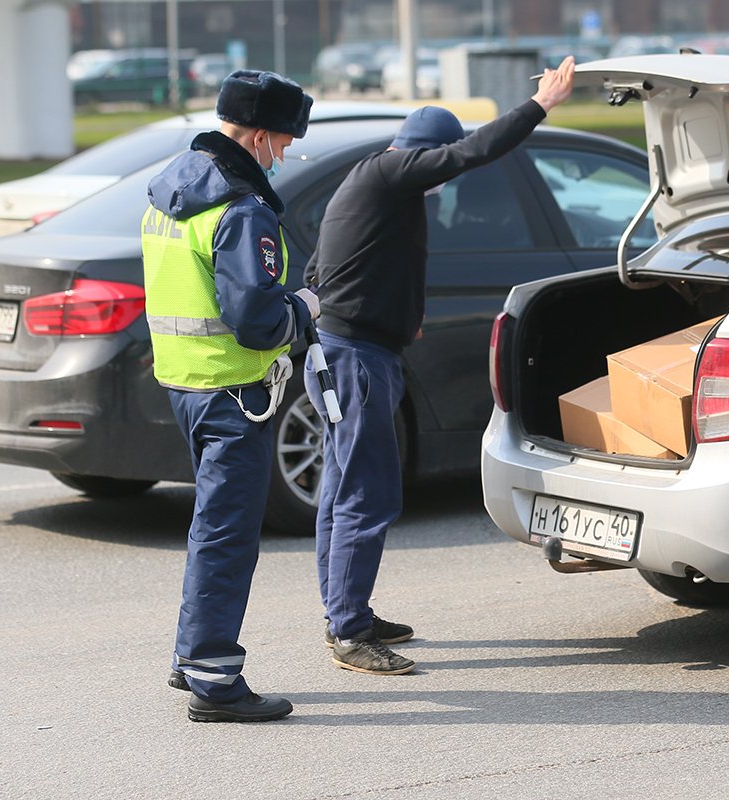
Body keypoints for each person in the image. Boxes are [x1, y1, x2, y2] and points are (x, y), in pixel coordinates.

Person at [301, 56, 578, 676]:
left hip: (349, 350)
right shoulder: (395, 172)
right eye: (437, 167)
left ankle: (348, 612)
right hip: (356, 361)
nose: (441, 182)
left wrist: (396, 315)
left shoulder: (373, 184)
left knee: (344, 488)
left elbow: (322, 270)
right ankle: (348, 632)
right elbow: (471, 153)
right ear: (423, 153)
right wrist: (542, 105)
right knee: (364, 494)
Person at [141, 69, 321, 722]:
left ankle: (189, 656)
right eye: (284, 141)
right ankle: (214, 678)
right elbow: (257, 321)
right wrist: (304, 306)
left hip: (185, 384)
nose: (287, 152)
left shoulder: (170, 188)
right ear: (262, 135)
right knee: (226, 536)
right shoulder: (241, 208)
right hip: (233, 392)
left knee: (209, 527)